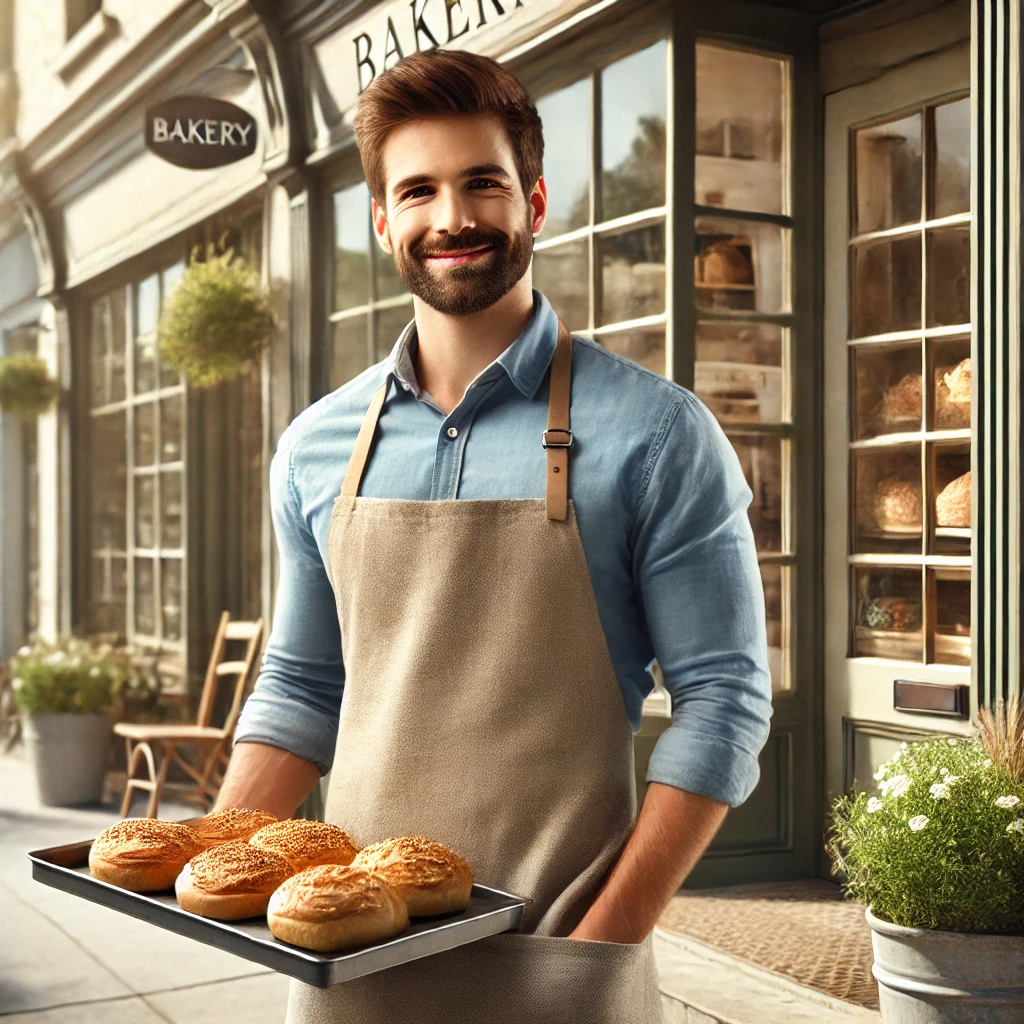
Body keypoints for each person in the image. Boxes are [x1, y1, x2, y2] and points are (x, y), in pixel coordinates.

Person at [220, 47, 773, 1024]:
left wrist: (597, 946)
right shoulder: (315, 447)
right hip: (354, 975)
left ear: (535, 201)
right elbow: (304, 685)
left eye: (482, 183)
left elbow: (723, 703)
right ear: (384, 219)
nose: (452, 218)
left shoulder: (655, 433)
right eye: (418, 190)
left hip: (561, 970)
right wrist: (213, 860)